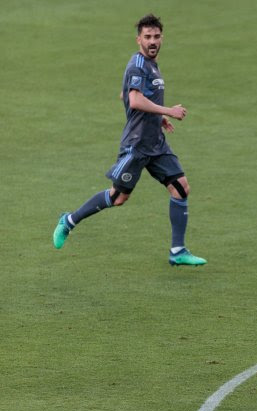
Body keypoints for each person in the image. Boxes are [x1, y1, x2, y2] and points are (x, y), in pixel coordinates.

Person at [52, 13, 206, 266]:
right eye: (147, 37)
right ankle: (68, 221)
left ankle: (178, 251)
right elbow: (134, 99)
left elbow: (124, 95)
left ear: (162, 38)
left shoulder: (151, 65)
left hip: (155, 142)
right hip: (137, 145)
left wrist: (156, 119)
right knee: (118, 198)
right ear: (138, 40)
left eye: (156, 36)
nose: (152, 41)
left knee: (180, 187)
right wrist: (167, 111)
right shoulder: (138, 64)